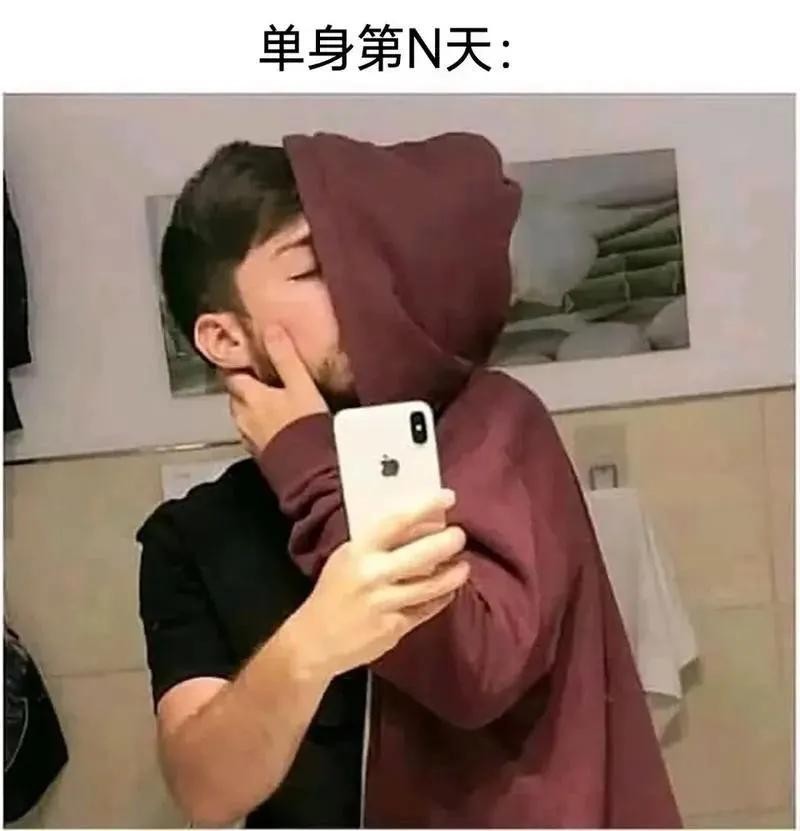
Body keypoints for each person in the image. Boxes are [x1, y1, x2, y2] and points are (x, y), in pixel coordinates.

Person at [138, 132, 682, 828]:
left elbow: (477, 669)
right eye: (314, 269)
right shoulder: (196, 535)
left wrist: (309, 466)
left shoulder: (489, 425)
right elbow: (206, 795)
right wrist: (309, 645)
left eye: (359, 255)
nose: (363, 286)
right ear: (225, 338)